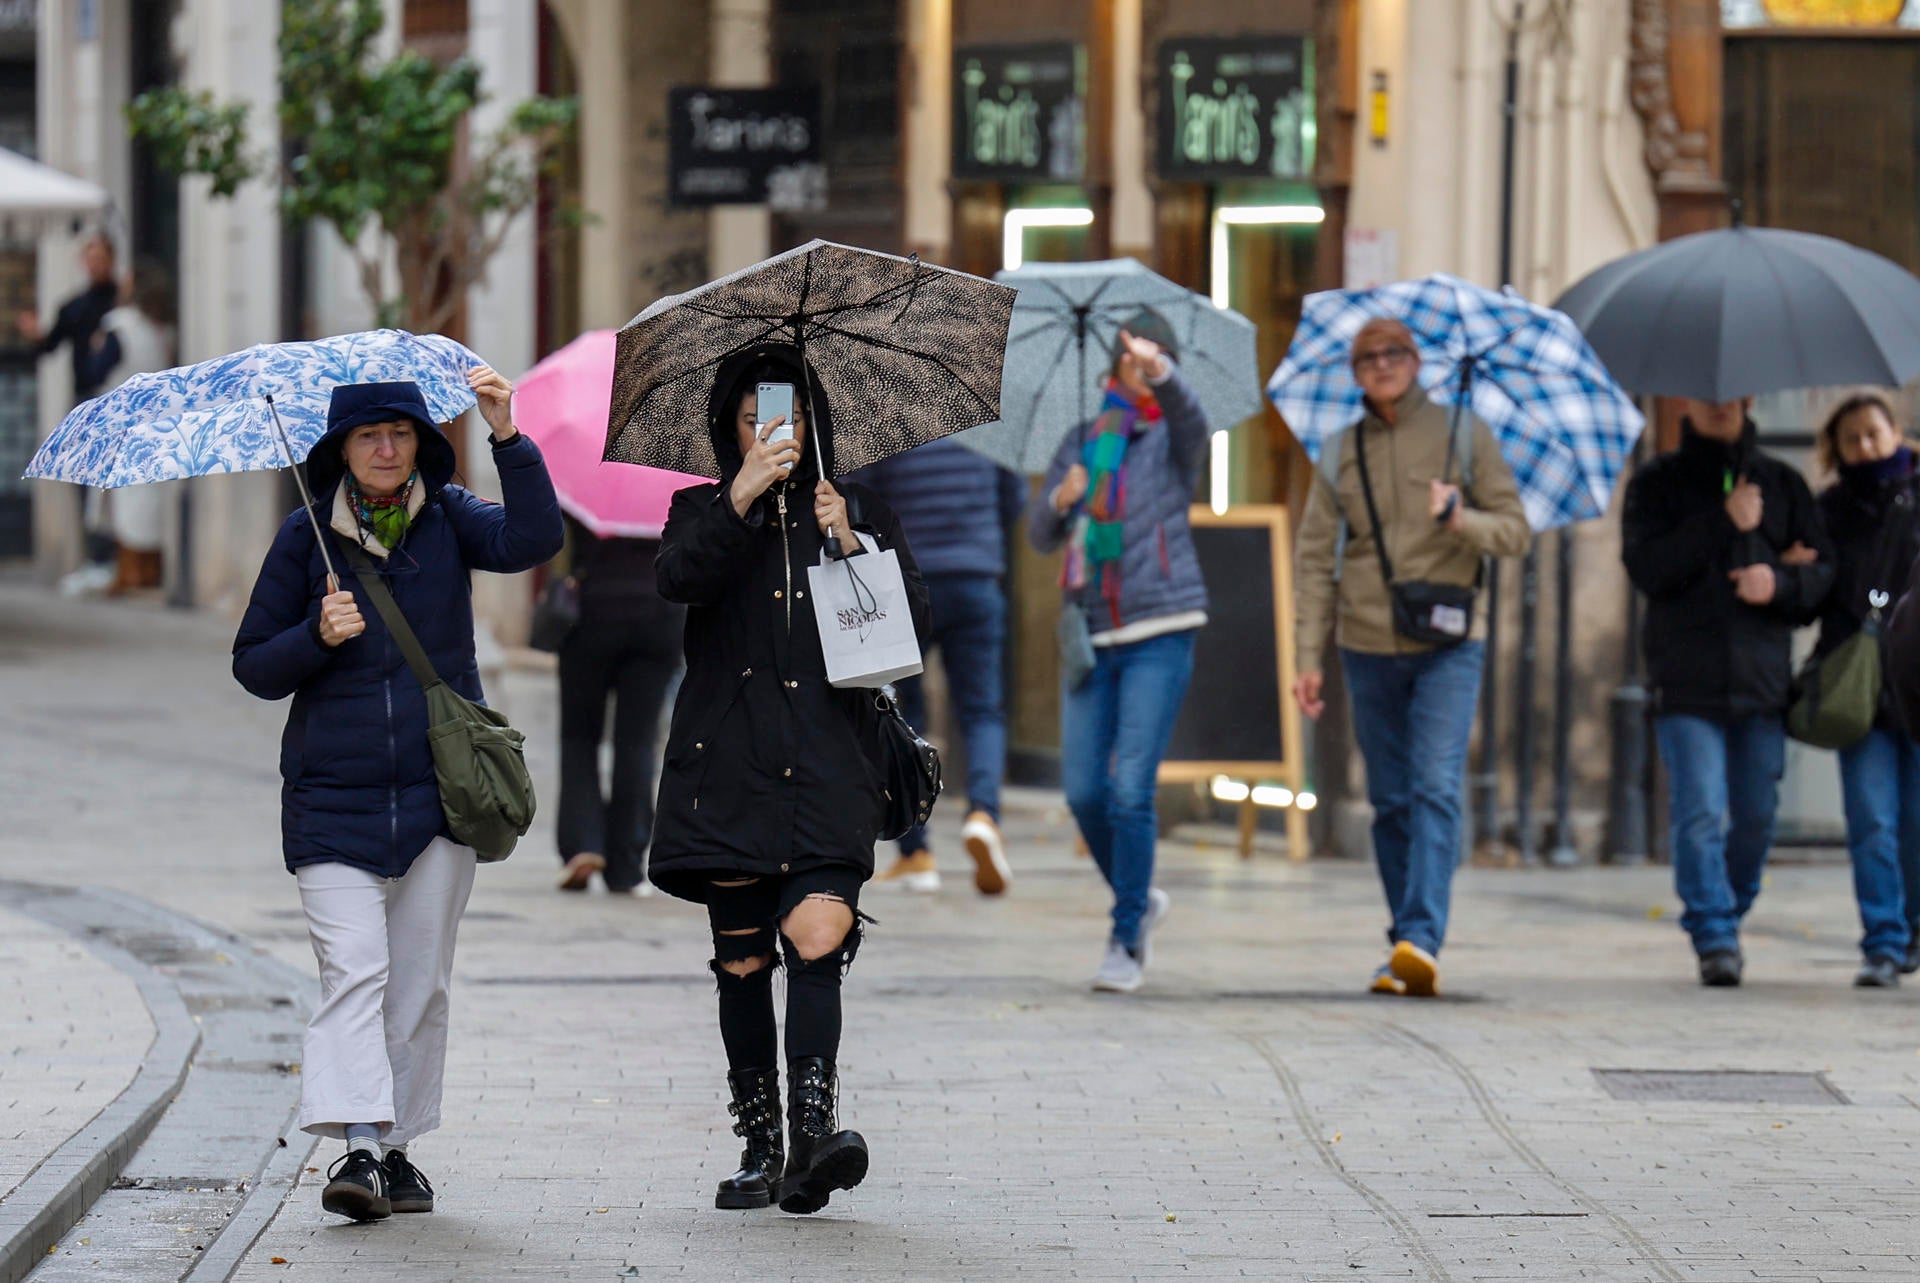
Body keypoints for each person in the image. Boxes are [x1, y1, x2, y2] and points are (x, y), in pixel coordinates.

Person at [232, 370, 563, 1221]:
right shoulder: (305, 540)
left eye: (402, 435)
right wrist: (315, 634)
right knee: (356, 973)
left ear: (422, 444)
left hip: (439, 795)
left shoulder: (449, 519)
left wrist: (507, 436)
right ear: (341, 450)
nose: (386, 449)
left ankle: (400, 1148)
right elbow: (253, 665)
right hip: (330, 800)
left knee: (419, 984)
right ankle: (360, 1150)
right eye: (370, 436)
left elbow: (534, 536)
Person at [650, 344, 929, 1215]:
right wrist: (740, 496)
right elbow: (677, 579)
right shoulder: (698, 507)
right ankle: (761, 1144)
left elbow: (915, 630)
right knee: (741, 959)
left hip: (830, 762)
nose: (781, 429)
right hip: (727, 768)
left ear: (818, 424)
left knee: (817, 931)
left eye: (796, 414)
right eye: (758, 416)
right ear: (728, 430)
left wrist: (850, 539)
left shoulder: (856, 509)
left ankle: (813, 1136)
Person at [1290, 318, 1531, 998]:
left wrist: (1463, 519)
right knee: (1391, 800)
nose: (1382, 365)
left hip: (1451, 643)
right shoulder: (1340, 448)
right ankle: (1403, 940)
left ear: (1417, 360)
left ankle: (1423, 935)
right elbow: (1315, 560)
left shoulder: (1465, 433)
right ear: (1355, 372)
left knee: (1435, 786)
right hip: (1366, 642)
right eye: (1368, 358)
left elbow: (1514, 530)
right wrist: (1308, 655)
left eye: (1394, 353)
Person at [1621, 394, 1833, 988]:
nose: (1719, 406)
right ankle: (1713, 933)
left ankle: (1728, 914)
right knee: (1700, 813)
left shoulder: (1783, 482)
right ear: (1688, 400)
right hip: (1687, 680)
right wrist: (1724, 519)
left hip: (1762, 684)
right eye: (1707, 395)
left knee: (1756, 820)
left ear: (1748, 400)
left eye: (1731, 396)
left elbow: (1822, 577)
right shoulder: (1657, 483)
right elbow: (1647, 568)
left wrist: (1781, 580)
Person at [1028, 314, 1209, 995]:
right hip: (1090, 628)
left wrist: (1162, 368)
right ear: (1113, 364)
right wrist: (1061, 498)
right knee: (1083, 792)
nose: (1145, 366)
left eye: (1158, 359)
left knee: (1132, 789)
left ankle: (1126, 932)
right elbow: (1043, 534)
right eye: (1135, 357)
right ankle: (1138, 895)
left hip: (1161, 626)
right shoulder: (1081, 440)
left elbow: (1192, 412)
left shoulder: (1175, 437)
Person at [850, 438, 1022, 895]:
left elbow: (863, 502)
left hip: (911, 584)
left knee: (904, 717)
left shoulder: (895, 424)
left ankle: (917, 850)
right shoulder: (989, 426)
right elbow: (1015, 500)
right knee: (983, 710)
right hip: (978, 578)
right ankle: (984, 814)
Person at [1810, 393, 1920, 987]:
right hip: (1858, 687)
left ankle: (1912, 929)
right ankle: (1882, 940)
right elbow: (1815, 593)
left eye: (1873, 433)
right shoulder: (1831, 509)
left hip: (1917, 675)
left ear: (1895, 431)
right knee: (1873, 818)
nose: (1865, 447)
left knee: (1916, 821)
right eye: (1851, 438)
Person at [553, 515, 686, 895]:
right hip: (659, 613)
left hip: (592, 611)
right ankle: (626, 864)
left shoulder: (586, 474)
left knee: (579, 736)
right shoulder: (671, 473)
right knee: (638, 741)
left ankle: (583, 844)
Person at [21, 234, 124, 584]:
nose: (96, 265)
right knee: (86, 477)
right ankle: (97, 556)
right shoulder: (75, 306)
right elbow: (49, 347)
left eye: (101, 258)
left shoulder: (121, 305)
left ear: (111, 260)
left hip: (119, 399)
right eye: (91, 259)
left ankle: (117, 557)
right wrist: (35, 335)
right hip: (86, 400)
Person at [87, 260, 177, 594]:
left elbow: (94, 371)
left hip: (121, 422)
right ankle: (149, 569)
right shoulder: (164, 329)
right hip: (158, 423)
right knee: (149, 499)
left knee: (124, 500)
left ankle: (129, 571)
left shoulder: (119, 326)